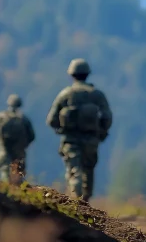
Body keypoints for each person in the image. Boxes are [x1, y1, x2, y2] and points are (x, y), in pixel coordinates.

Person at [46, 58, 113, 202]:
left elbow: (51, 119)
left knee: (74, 170)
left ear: (71, 74)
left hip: (70, 139)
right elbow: (107, 117)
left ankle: (76, 198)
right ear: (88, 74)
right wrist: (101, 132)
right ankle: (85, 199)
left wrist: (61, 128)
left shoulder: (65, 94)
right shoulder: (97, 95)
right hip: (91, 139)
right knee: (88, 170)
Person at [0, 94, 35, 185]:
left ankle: (4, 189)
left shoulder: (1, 116)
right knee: (18, 172)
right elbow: (32, 136)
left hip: (4, 149)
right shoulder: (24, 119)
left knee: (4, 169)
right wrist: (23, 145)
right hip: (19, 151)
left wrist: (0, 139)